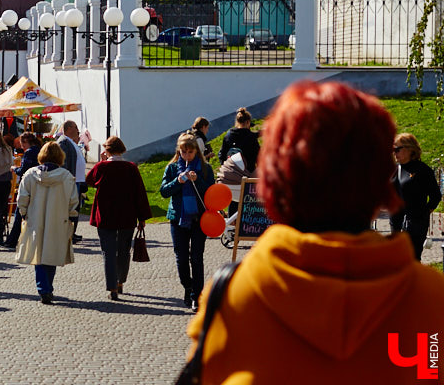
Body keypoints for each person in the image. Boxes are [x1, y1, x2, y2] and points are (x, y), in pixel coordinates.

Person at [184, 81, 444, 383]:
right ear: (377, 182)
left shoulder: (234, 297)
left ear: (276, 179)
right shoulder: (430, 300)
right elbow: (429, 373)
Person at [87, 135, 151, 300]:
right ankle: (120, 281)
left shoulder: (101, 167)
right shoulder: (131, 168)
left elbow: (89, 181)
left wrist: (100, 162)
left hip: (106, 216)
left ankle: (112, 287)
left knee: (108, 252)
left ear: (106, 150)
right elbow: (140, 194)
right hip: (126, 215)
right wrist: (142, 217)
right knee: (123, 251)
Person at [16, 141, 79, 304]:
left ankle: (43, 288)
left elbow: (22, 197)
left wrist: (24, 213)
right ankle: (47, 287)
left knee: (39, 254)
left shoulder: (30, 174)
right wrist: (71, 216)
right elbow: (73, 200)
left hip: (35, 218)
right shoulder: (66, 176)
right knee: (53, 252)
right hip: (58, 219)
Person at [160, 132, 211, 311]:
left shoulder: (205, 168)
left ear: (197, 151)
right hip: (178, 219)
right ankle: (188, 287)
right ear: (179, 151)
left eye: (190, 152)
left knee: (196, 258)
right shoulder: (173, 168)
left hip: (199, 218)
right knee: (181, 258)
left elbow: (212, 194)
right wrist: (178, 181)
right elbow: (164, 191)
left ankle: (197, 295)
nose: (187, 155)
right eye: (184, 152)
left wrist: (199, 182)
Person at [391, 132, 442, 261]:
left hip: (415, 224)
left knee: (411, 259)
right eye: (392, 150)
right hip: (396, 223)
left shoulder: (422, 170)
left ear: (410, 149)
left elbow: (435, 195)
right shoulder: (395, 170)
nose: (394, 153)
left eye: (397, 149)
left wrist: (423, 213)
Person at [56, 120, 86, 242]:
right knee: (71, 209)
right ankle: (69, 234)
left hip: (76, 180)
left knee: (75, 208)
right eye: (75, 127)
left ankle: (72, 233)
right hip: (71, 181)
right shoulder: (63, 142)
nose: (78, 130)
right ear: (68, 129)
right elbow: (63, 163)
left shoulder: (70, 142)